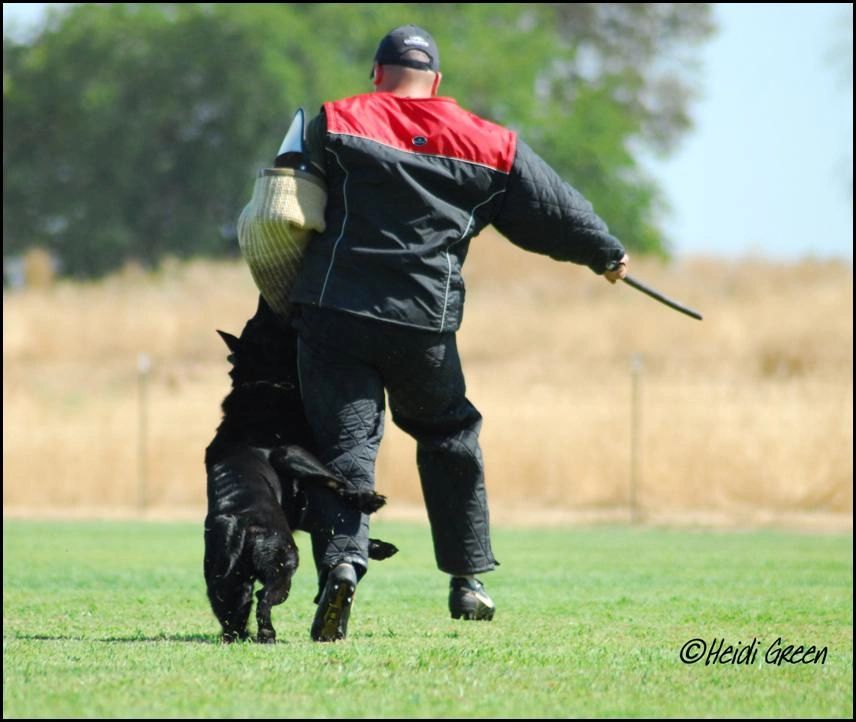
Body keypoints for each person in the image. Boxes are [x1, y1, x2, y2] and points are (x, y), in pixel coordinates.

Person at [289, 24, 629, 642]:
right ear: (437, 82)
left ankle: (342, 563)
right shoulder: (488, 141)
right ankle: (468, 581)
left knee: (344, 448)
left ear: (376, 74)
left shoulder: (333, 121)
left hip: (335, 311)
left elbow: (285, 202)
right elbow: (550, 208)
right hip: (423, 322)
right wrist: (604, 252)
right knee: (448, 435)